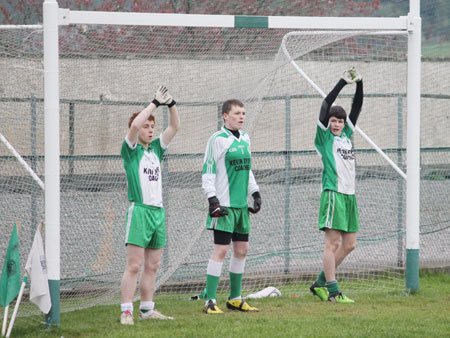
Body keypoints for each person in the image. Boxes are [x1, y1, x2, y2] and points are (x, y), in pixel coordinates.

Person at [119, 85, 180, 324]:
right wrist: (154, 102)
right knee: (134, 265)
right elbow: (134, 126)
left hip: (158, 212)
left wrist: (171, 104)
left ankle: (147, 309)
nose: (150, 129)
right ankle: (126, 311)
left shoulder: (156, 149)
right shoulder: (131, 149)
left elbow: (174, 127)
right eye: (147, 125)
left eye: (152, 126)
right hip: (140, 211)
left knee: (153, 265)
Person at [201, 99, 262, 314]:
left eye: (243, 113)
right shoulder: (217, 139)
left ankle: (235, 298)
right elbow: (208, 170)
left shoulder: (245, 138)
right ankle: (209, 301)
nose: (242, 116)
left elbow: (248, 169)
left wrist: (254, 192)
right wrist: (212, 199)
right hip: (224, 205)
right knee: (221, 250)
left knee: (242, 250)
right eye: (237, 113)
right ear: (225, 116)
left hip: (240, 206)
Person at [310, 68, 363, 303]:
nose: (337, 124)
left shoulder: (347, 135)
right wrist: (342, 81)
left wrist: (360, 83)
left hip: (349, 194)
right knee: (332, 243)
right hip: (333, 193)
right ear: (328, 122)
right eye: (333, 120)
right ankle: (333, 292)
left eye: (340, 121)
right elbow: (325, 104)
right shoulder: (325, 138)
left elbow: (357, 107)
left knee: (349, 244)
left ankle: (320, 283)